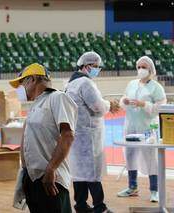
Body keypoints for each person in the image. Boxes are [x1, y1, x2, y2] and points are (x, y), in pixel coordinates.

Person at [9, 63, 78, 213]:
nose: (20, 89)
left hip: (50, 179)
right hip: (33, 179)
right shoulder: (36, 103)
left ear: (32, 79)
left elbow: (67, 135)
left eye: (22, 83)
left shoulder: (58, 98)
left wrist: (51, 169)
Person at [65, 51, 119, 213]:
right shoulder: (85, 83)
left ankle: (80, 205)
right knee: (92, 172)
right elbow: (98, 107)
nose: (97, 70)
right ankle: (99, 207)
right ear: (86, 66)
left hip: (77, 134)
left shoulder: (70, 84)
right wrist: (110, 105)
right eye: (95, 67)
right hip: (88, 136)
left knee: (79, 173)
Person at [117, 56, 167, 202]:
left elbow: (160, 107)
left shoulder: (156, 87)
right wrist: (124, 101)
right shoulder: (132, 84)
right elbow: (123, 99)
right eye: (138, 67)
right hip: (130, 125)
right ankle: (132, 187)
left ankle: (154, 190)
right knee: (130, 155)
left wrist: (143, 104)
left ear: (150, 69)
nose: (141, 70)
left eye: (144, 67)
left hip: (148, 127)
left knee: (151, 157)